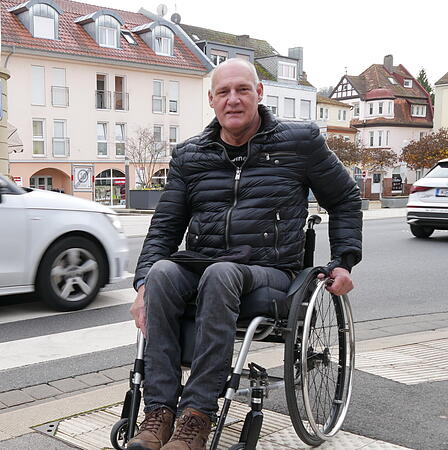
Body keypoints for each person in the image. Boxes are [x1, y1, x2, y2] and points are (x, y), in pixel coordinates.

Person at [126, 58, 362, 450]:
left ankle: (197, 417)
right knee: (164, 274)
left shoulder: (300, 142)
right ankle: (158, 414)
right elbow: (166, 226)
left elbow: (345, 199)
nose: (233, 100)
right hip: (204, 266)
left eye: (242, 90)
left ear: (259, 94)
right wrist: (142, 283)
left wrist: (345, 259)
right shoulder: (190, 156)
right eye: (224, 92)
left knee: (222, 274)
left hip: (270, 272)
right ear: (212, 100)